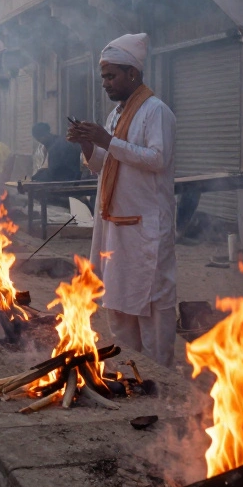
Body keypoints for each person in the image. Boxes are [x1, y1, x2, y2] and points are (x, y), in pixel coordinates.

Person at [68, 34, 179, 367]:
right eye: (103, 77)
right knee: (117, 303)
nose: (105, 83)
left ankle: (161, 379)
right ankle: (129, 372)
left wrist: (106, 139)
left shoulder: (156, 111)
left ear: (133, 74)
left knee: (151, 305)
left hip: (146, 227)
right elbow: (102, 164)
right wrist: (88, 144)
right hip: (115, 226)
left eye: (111, 76)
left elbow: (158, 158)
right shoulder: (116, 115)